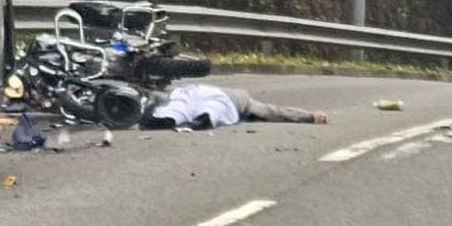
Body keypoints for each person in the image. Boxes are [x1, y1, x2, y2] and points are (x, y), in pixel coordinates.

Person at [141, 83, 328, 130]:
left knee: (179, 107)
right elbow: (274, 111)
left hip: (187, 92)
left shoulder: (178, 93)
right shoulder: (244, 100)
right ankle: (203, 119)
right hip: (225, 99)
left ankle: (165, 118)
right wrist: (309, 116)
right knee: (215, 108)